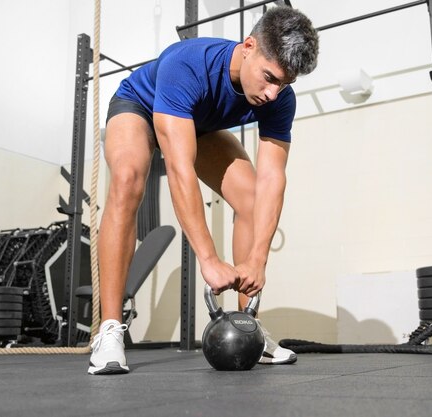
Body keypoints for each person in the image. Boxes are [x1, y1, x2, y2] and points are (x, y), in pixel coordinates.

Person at [88, 6, 319, 375]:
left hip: (196, 122)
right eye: (269, 78)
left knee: (252, 198)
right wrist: (209, 260)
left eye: (285, 84)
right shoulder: (189, 64)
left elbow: (273, 178)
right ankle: (110, 329)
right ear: (248, 46)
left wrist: (257, 259)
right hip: (140, 107)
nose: (274, 93)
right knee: (129, 179)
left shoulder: (279, 99)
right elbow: (181, 170)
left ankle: (249, 328)